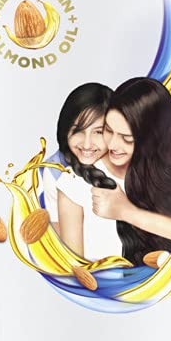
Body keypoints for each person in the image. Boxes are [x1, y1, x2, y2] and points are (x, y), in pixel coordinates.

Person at [89, 77, 171, 265]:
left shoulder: (166, 170)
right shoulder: (92, 167)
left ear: (151, 138)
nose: (113, 145)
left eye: (126, 138)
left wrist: (125, 211)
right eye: (108, 130)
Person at [43, 82, 123, 260]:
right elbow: (66, 248)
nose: (87, 144)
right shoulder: (56, 172)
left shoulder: (125, 162)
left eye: (98, 132)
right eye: (78, 130)